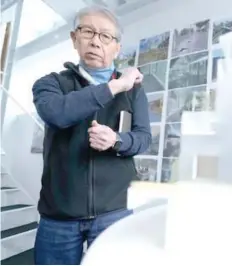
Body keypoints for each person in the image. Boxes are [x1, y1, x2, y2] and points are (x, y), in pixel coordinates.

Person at [31, 6, 151, 265]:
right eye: (88, 31)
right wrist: (115, 85)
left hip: (115, 211)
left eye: (105, 36)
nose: (96, 41)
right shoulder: (50, 84)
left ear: (116, 48)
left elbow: (143, 137)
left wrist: (117, 140)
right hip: (58, 217)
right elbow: (56, 114)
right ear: (75, 39)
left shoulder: (134, 91)